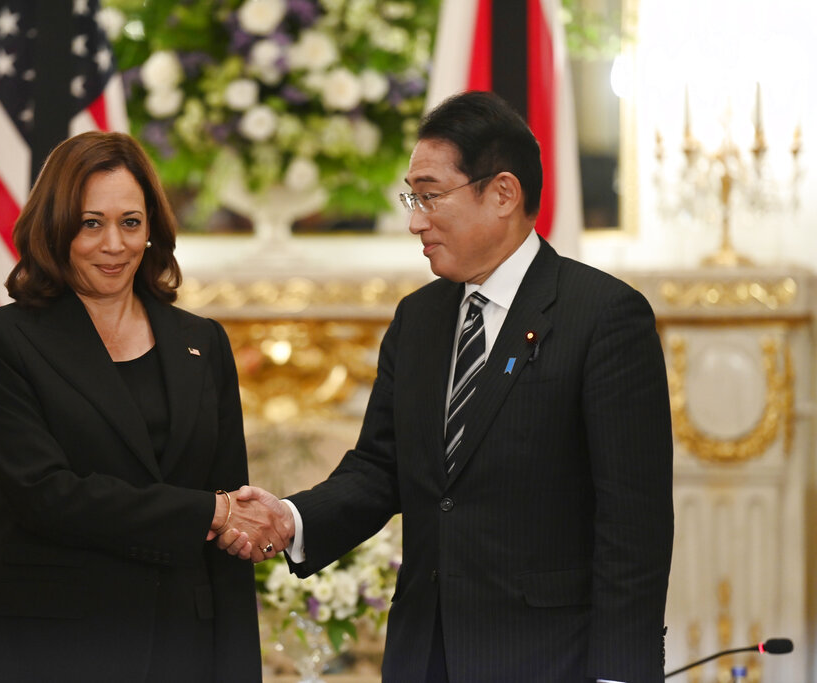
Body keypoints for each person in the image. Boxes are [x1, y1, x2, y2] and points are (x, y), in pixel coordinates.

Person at [221, 91, 674, 682]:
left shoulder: (603, 316)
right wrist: (290, 518)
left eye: (430, 196)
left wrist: (621, 675)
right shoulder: (420, 318)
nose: (415, 221)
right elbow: (380, 467)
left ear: (503, 193)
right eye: (412, 197)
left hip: (550, 658)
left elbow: (633, 524)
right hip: (424, 655)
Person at [0, 131, 284, 682]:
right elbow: (45, 495)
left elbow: (233, 514)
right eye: (90, 223)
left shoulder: (203, 342)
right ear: (55, 229)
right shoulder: (0, 338)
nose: (114, 244)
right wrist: (208, 512)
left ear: (152, 228)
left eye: (130, 222)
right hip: (48, 648)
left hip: (184, 645)